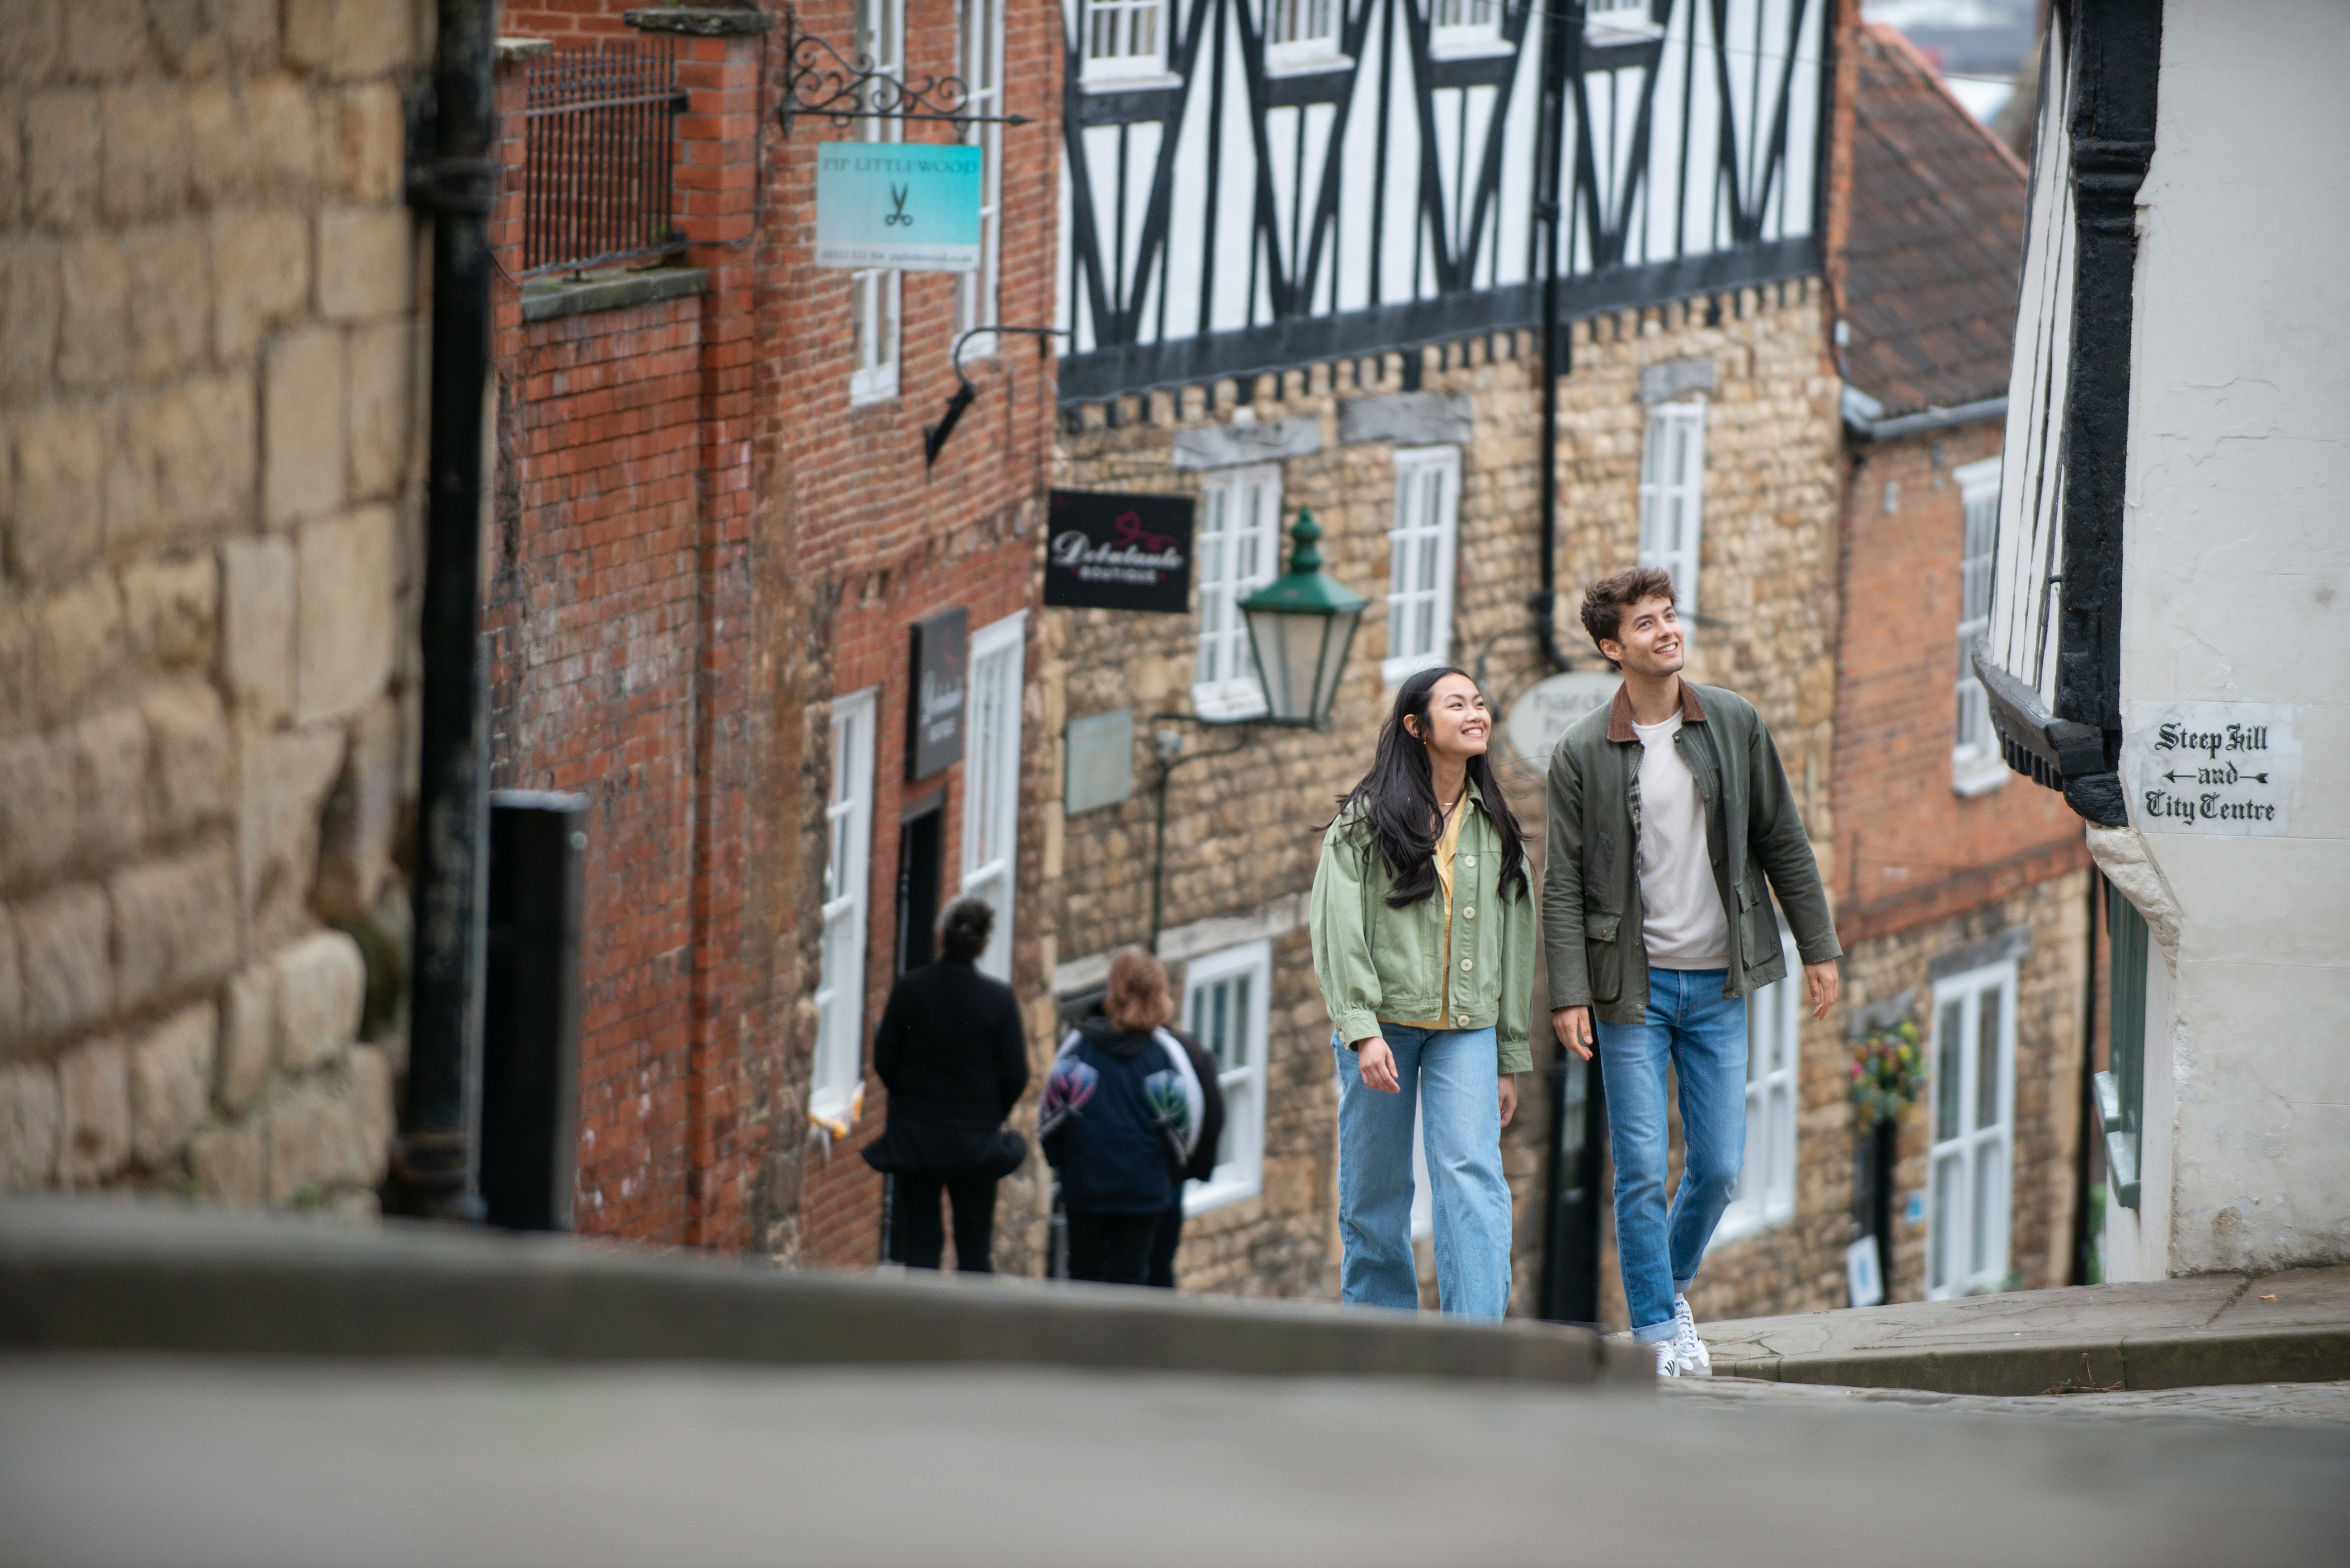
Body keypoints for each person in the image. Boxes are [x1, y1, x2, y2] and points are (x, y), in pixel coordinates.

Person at [1542, 567, 1842, 1376]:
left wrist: (1819, 945)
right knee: (1639, 1167)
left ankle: (1667, 1290)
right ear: (1614, 648)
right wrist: (1568, 991)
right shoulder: (1581, 753)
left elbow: (1783, 836)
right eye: (1646, 624)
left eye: (1669, 616)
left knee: (1715, 1167)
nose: (1667, 631)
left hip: (1717, 983)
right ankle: (1654, 1334)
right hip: (1629, 991)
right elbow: (1562, 882)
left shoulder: (1734, 722)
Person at [1310, 666, 1535, 1318]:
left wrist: (1508, 1056)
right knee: (1374, 1193)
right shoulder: (1364, 821)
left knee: (1472, 1178)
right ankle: (1380, 1335)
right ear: (1416, 726)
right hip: (1381, 1029)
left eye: (1479, 703)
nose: (1476, 713)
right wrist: (1361, 1028)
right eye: (1456, 704)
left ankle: (1474, 1340)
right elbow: (1337, 926)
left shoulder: (1494, 826)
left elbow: (1514, 944)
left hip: (1467, 1031)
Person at [861, 899, 1030, 1272]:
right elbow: (1016, 1073)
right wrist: (989, 1113)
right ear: (984, 944)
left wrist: (909, 1099)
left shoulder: (910, 989)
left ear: (943, 937)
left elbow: (885, 1058)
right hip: (975, 1143)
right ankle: (974, 1330)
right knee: (974, 1250)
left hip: (917, 1138)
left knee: (922, 1243)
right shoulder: (998, 1001)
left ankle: (922, 1328)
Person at [1040, 950, 1204, 1286]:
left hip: (1086, 1187)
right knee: (1130, 1282)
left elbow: (1050, 1124)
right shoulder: (1163, 1057)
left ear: (1114, 990)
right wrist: (1163, 1174)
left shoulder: (1079, 1050)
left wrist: (1064, 1164)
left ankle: (1084, 1341)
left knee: (1084, 1277)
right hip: (1143, 1193)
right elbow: (1183, 1135)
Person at [1147, 1021, 1226, 1289]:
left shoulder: (1176, 1051)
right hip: (1169, 1179)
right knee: (1158, 1271)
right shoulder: (1182, 1048)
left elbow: (1212, 1113)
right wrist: (1189, 1168)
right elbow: (1213, 1113)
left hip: (1152, 1180)